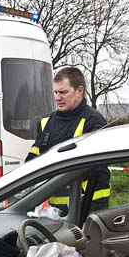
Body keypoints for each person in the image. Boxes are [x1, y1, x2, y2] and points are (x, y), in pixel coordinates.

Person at [26, 66, 109, 213]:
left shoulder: (93, 121)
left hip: (88, 206)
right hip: (53, 209)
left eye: (63, 92)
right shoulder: (46, 121)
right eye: (56, 92)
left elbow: (92, 166)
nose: (58, 97)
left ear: (80, 91)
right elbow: (34, 158)